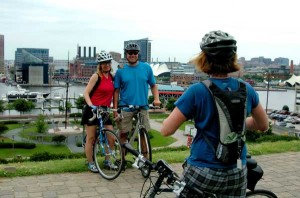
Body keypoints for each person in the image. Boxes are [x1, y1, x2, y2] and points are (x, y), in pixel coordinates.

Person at [161, 30, 269, 197]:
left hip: (203, 169)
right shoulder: (246, 89)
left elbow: (166, 130)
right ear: (232, 58)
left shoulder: (197, 91)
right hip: (237, 169)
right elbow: (263, 125)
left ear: (204, 59)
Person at [113, 42, 161, 168]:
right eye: (130, 53)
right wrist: (115, 109)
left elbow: (153, 85)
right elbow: (116, 91)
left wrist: (156, 99)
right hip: (126, 107)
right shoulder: (121, 71)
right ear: (126, 54)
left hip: (142, 106)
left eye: (135, 53)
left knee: (143, 134)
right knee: (123, 133)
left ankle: (145, 161)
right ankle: (121, 159)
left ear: (138, 54)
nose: (132, 55)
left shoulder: (146, 68)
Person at [81, 51, 117, 173]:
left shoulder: (112, 77)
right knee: (91, 138)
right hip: (93, 110)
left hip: (105, 110)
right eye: (103, 63)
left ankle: (108, 161)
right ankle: (91, 162)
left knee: (111, 137)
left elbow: (116, 92)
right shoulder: (96, 76)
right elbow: (86, 93)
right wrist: (91, 105)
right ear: (100, 65)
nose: (106, 65)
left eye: (108, 62)